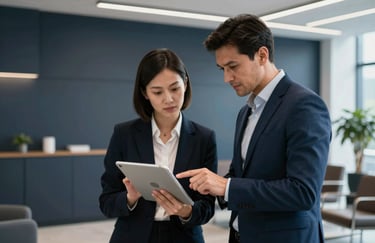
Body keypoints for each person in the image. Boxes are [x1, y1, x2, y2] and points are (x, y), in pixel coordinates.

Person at [177, 14, 331, 243]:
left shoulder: (304, 105)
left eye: (233, 66)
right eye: (222, 69)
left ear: (262, 55)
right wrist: (205, 185)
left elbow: (303, 192)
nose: (227, 78)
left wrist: (227, 186)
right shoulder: (246, 112)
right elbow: (244, 175)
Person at [99, 48, 218, 243]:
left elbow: (207, 207)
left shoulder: (204, 138)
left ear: (186, 84)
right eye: (157, 92)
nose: (168, 99)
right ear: (145, 93)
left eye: (175, 88)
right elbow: (106, 202)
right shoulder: (124, 134)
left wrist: (186, 211)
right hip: (132, 236)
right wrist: (130, 197)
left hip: (184, 237)